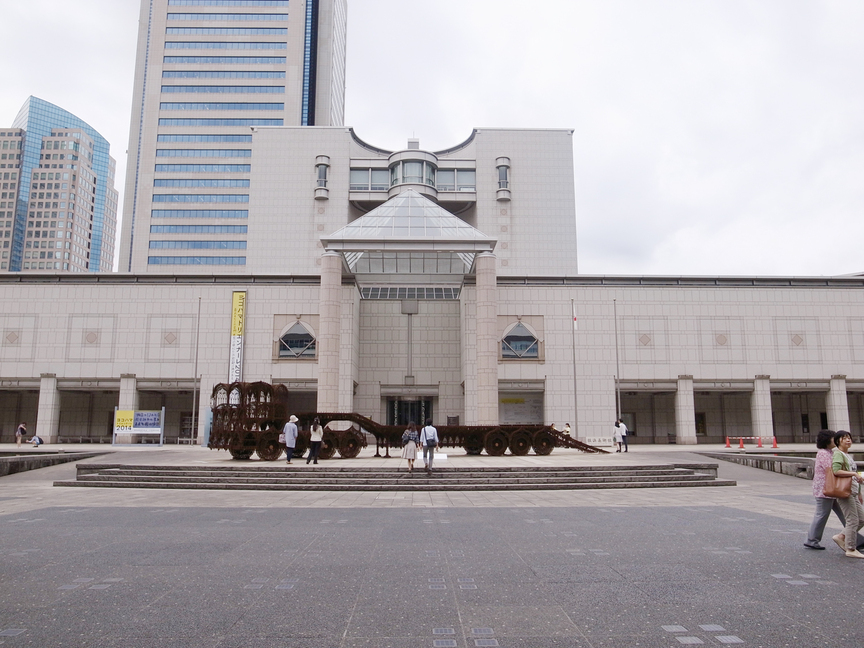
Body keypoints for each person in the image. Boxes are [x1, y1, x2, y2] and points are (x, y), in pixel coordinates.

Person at [805, 430, 846, 549]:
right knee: (822, 514)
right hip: (825, 490)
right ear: (827, 440)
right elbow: (832, 469)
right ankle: (811, 540)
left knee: (845, 515)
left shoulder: (830, 452)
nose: (837, 440)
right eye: (834, 438)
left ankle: (853, 538)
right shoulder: (823, 453)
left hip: (832, 489)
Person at [831, 430, 864, 558]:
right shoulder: (838, 454)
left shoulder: (847, 455)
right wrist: (853, 474)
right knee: (853, 519)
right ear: (838, 441)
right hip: (844, 491)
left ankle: (841, 537)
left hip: (853, 490)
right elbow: (836, 470)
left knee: (861, 519)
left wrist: (859, 492)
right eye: (844, 438)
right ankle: (850, 548)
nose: (848, 440)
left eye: (849, 438)